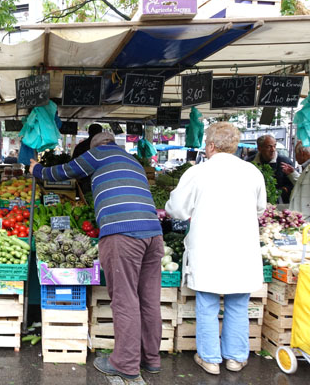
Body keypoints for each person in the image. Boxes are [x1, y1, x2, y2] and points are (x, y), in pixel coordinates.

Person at [29, 131, 163, 380]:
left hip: (123, 235)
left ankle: (126, 363)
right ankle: (151, 359)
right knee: (148, 298)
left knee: (125, 299)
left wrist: (37, 170)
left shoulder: (98, 154)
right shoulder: (132, 160)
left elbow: (63, 171)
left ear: (94, 147)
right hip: (154, 235)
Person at [165, 122, 266, 375]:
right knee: (238, 303)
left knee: (207, 302)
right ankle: (235, 358)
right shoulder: (252, 172)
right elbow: (261, 208)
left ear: (210, 145)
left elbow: (176, 210)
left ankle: (210, 359)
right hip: (242, 248)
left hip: (208, 248)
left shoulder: (198, 172)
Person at [250, 135, 298, 203]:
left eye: (274, 146)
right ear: (260, 148)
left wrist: (282, 191)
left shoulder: (285, 162)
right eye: (269, 147)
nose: (273, 150)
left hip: (280, 203)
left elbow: (293, 184)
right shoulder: (250, 163)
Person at [289, 141, 310, 220]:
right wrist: (292, 174)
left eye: (295, 153)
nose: (295, 157)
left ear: (301, 152)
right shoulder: (305, 167)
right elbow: (302, 185)